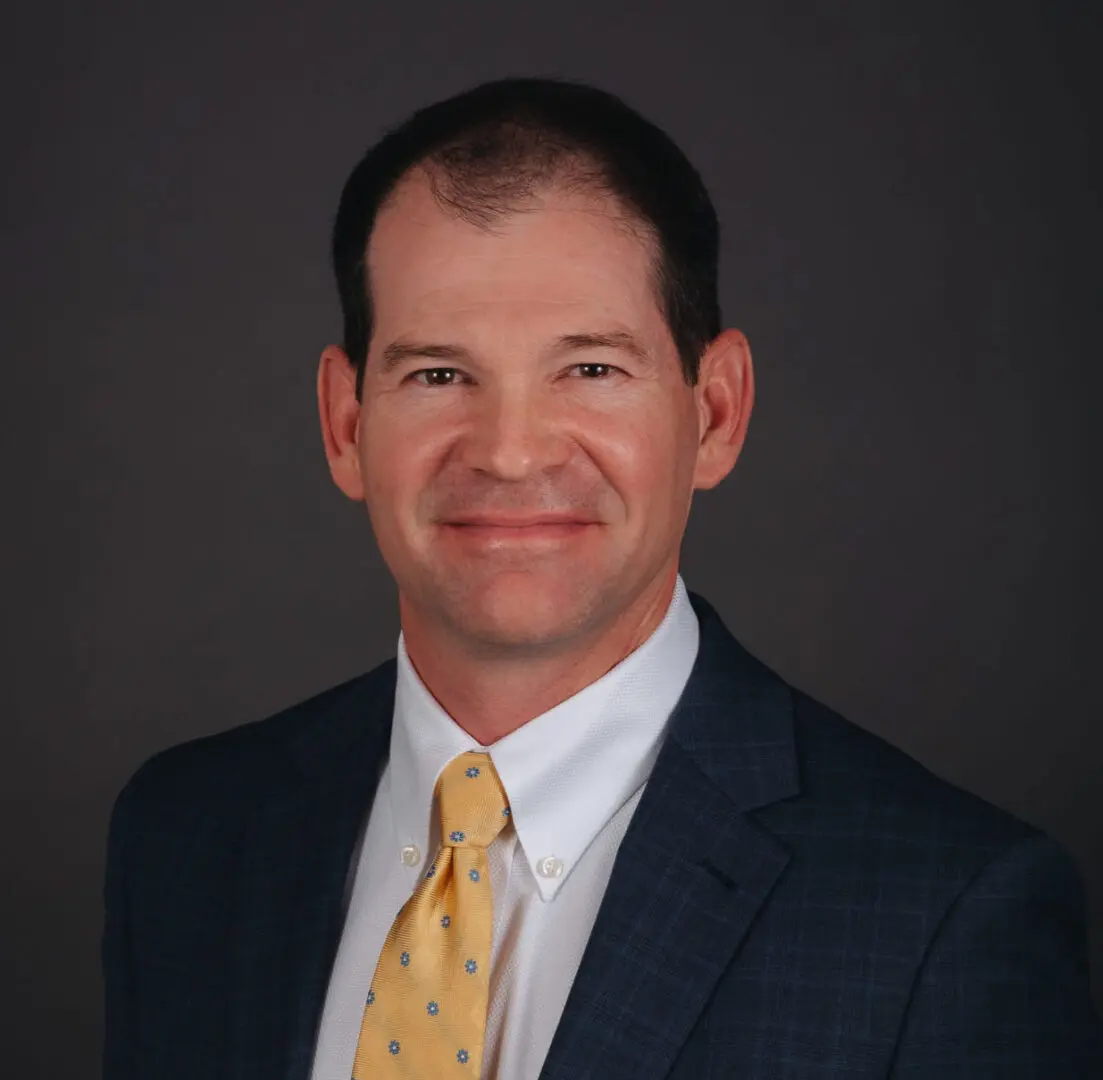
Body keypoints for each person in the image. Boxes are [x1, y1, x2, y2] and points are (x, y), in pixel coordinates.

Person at [102, 76, 1103, 1079]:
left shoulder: (944, 914)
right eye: (438, 374)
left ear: (713, 412)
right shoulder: (189, 838)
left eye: (589, 370)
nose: (507, 453)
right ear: (345, 424)